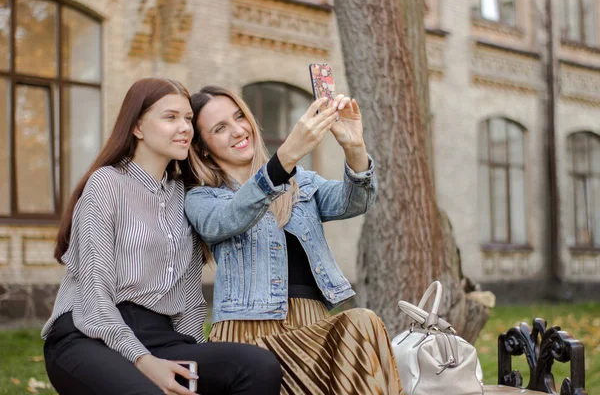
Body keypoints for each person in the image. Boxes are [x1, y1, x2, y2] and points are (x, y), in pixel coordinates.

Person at [41, 78, 282, 395]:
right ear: (138, 127)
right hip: (88, 333)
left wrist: (195, 362)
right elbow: (95, 299)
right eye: (170, 118)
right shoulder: (107, 183)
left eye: (187, 119)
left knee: (258, 366)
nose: (184, 127)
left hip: (161, 336)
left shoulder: (186, 196)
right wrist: (144, 360)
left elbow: (189, 302)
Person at [184, 85, 402, 395]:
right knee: (361, 323)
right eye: (220, 128)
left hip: (313, 325)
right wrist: (286, 156)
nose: (237, 131)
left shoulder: (301, 182)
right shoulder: (203, 198)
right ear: (203, 147)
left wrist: (355, 146)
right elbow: (231, 216)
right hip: (251, 333)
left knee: (362, 328)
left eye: (239, 117)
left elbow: (354, 202)